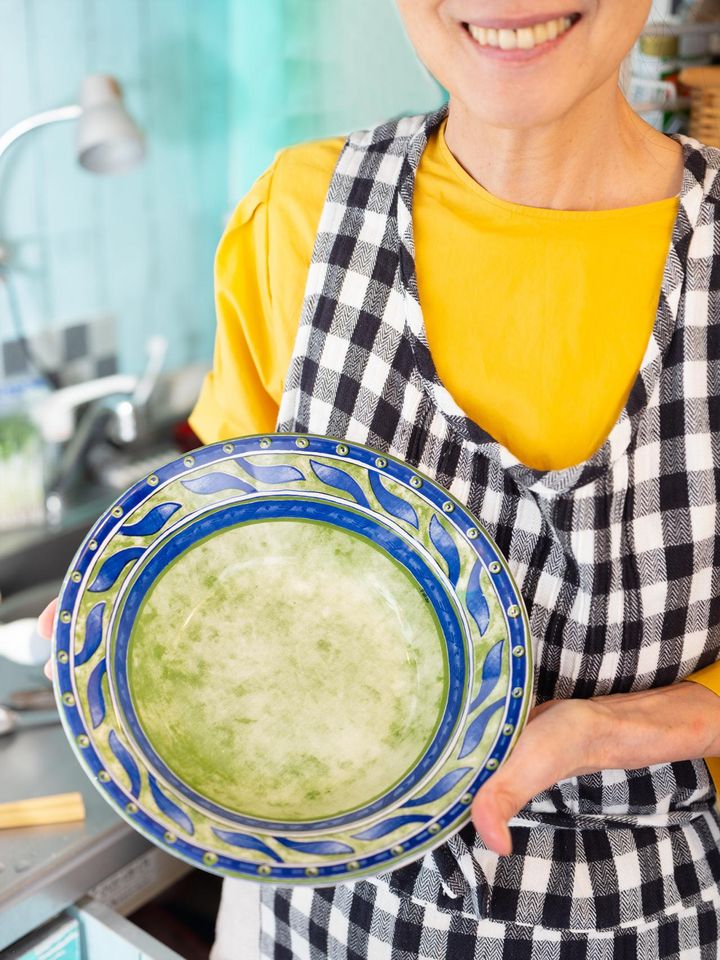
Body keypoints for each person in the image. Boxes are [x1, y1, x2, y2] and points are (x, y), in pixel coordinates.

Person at [37, 0, 720, 956]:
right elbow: (220, 546)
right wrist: (123, 625)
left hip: (648, 922)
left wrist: (613, 732)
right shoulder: (299, 213)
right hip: (331, 927)